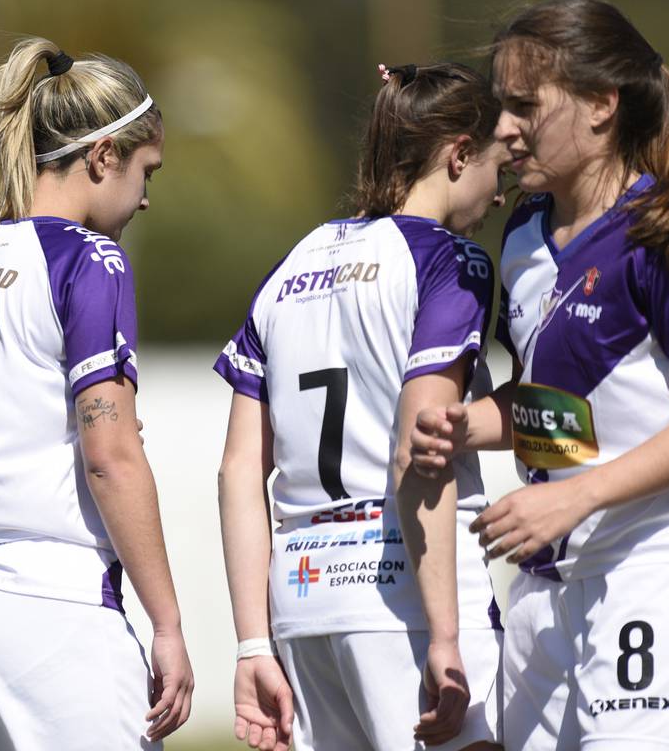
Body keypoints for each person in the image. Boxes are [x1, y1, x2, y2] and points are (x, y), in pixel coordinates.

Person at [410, 0, 669, 750]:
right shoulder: (524, 233)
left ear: (601, 105)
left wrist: (579, 498)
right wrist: (472, 423)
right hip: (546, 584)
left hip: (657, 567)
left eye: (525, 106)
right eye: (502, 106)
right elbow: (562, 410)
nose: (502, 127)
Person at [0, 37, 193, 750]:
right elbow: (110, 460)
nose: (146, 197)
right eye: (146, 171)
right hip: (43, 605)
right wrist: (169, 624)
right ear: (103, 156)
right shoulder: (90, 260)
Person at [215, 62, 509, 751]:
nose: (502, 196)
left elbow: (236, 472)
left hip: (303, 599)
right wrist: (445, 632)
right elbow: (422, 441)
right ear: (459, 153)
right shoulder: (450, 261)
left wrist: (252, 642)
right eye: (501, 168)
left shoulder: (289, 267)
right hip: (403, 591)